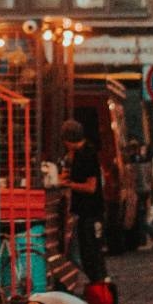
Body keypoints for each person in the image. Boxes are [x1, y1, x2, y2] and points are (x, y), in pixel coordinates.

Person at [60, 119, 106, 283]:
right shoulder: (80, 153)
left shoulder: (87, 155)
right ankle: (98, 285)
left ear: (67, 139)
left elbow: (91, 187)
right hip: (86, 212)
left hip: (91, 212)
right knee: (88, 252)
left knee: (90, 252)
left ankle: (100, 287)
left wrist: (69, 185)